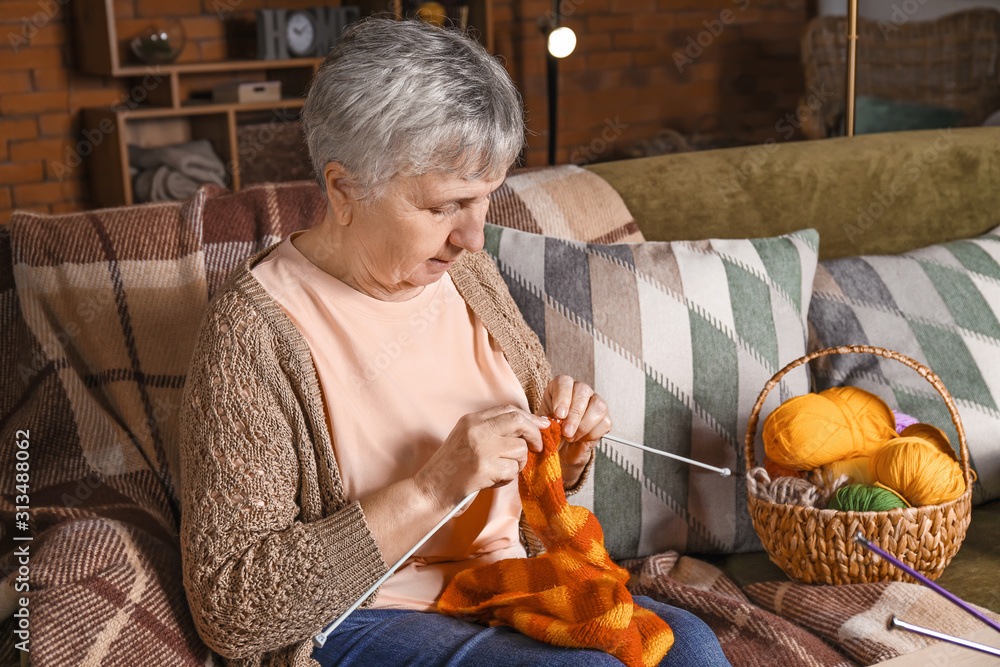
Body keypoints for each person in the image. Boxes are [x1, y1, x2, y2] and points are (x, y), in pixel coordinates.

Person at [178, 18, 731, 667]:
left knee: (690, 645)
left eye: (486, 197)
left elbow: (528, 504)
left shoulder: (467, 275)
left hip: (504, 584)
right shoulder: (251, 334)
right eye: (445, 206)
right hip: (371, 614)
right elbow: (232, 607)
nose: (474, 234)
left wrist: (566, 453)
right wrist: (431, 488)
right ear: (343, 190)